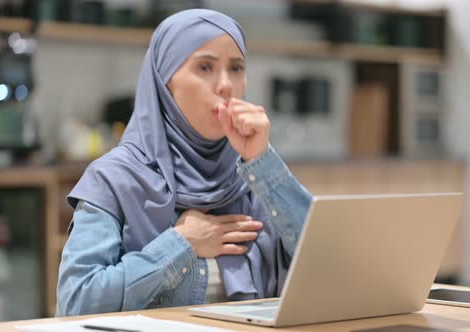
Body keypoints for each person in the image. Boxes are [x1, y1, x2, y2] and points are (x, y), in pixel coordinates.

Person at [56, 9, 313, 316]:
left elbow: (331, 269)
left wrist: (261, 159)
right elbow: (77, 302)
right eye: (205, 67)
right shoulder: (113, 178)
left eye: (236, 68)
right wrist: (181, 243)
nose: (225, 85)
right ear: (165, 84)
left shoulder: (255, 177)